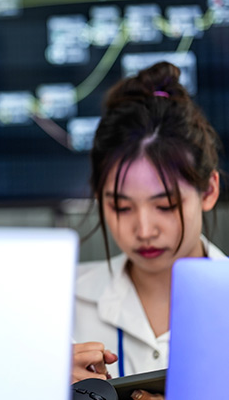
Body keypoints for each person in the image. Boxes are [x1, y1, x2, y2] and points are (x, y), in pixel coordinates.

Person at [70, 61, 225, 399]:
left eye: (165, 205)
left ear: (209, 191)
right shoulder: (60, 304)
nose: (143, 230)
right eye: (121, 207)